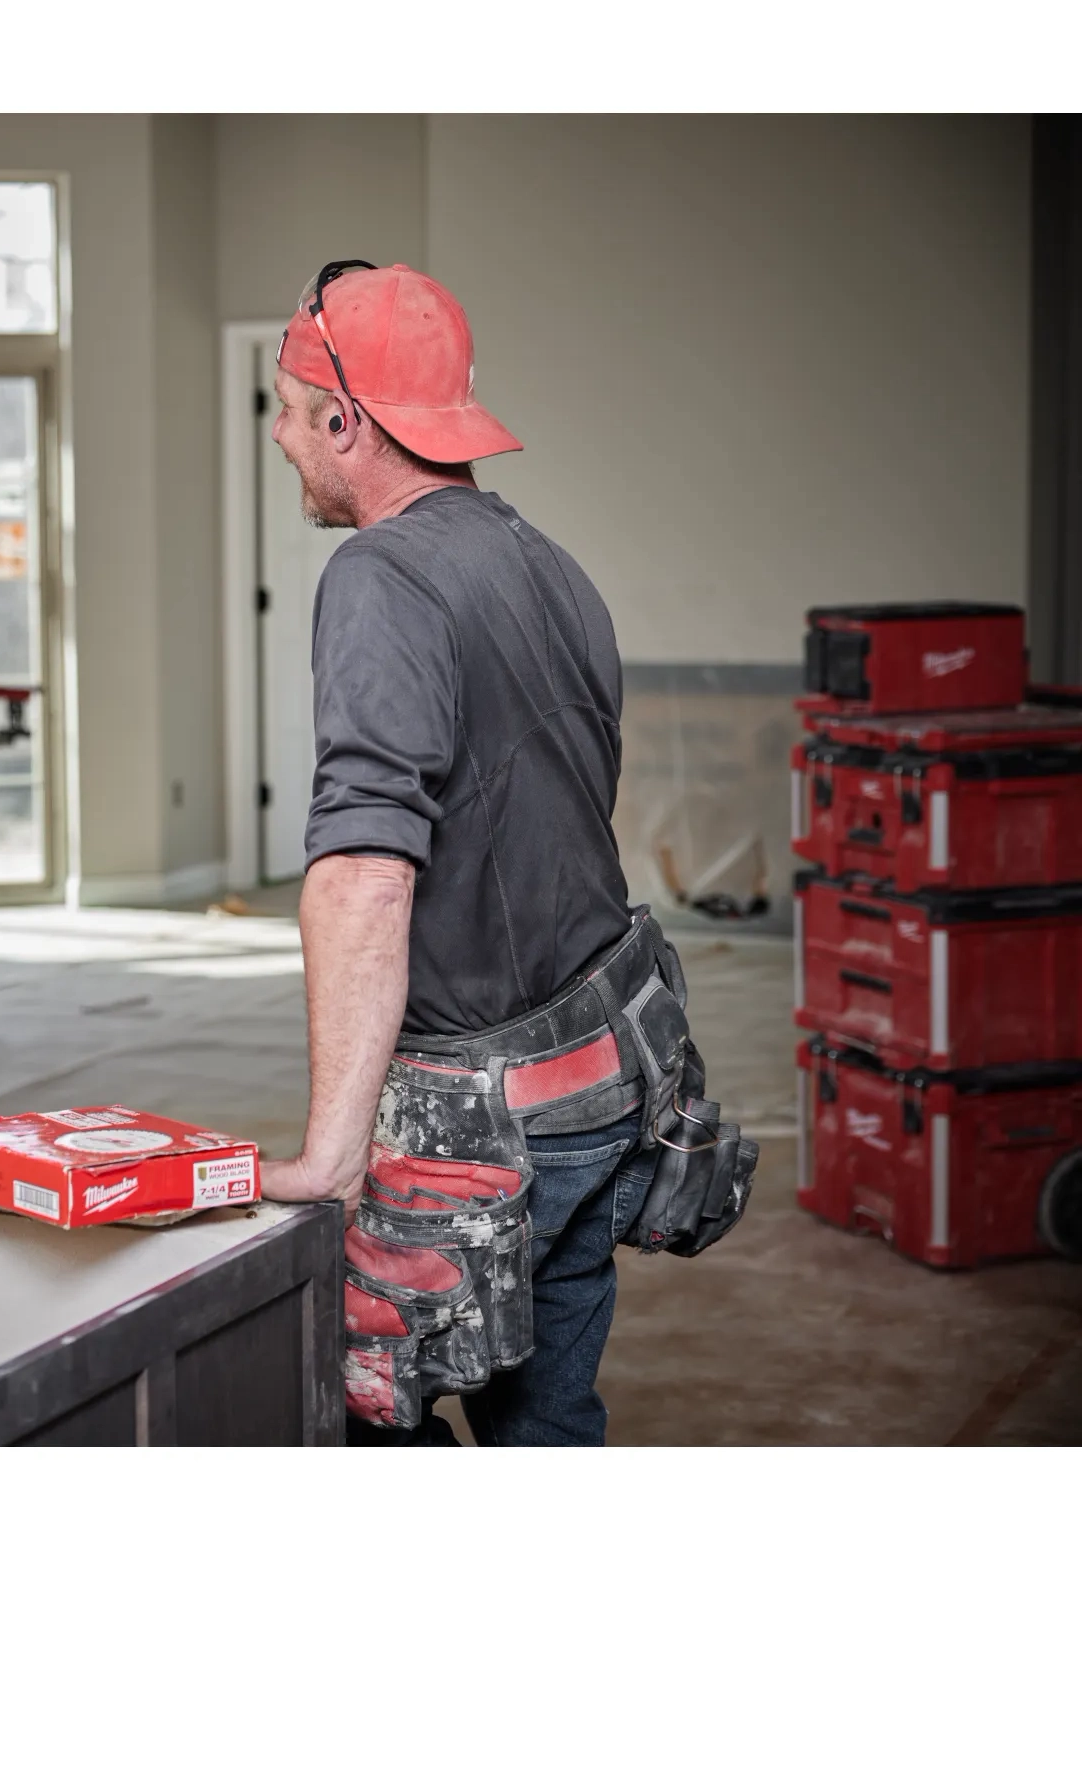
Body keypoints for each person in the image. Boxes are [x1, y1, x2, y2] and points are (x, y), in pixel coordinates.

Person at [257, 261, 680, 1448]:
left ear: (346, 420)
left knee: (363, 1413)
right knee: (545, 1410)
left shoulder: (378, 578)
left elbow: (363, 872)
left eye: (287, 411)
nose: (281, 438)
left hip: (482, 1127)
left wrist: (332, 1154)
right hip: (601, 1076)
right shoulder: (549, 566)